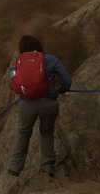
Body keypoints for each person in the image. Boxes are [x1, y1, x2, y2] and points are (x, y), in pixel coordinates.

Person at [7, 34, 72, 177]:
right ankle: (47, 167)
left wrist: (14, 72)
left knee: (23, 133)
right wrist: (60, 90)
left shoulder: (18, 62)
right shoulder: (51, 59)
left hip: (26, 104)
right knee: (47, 132)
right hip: (49, 104)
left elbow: (13, 78)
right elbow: (67, 80)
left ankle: (14, 168)